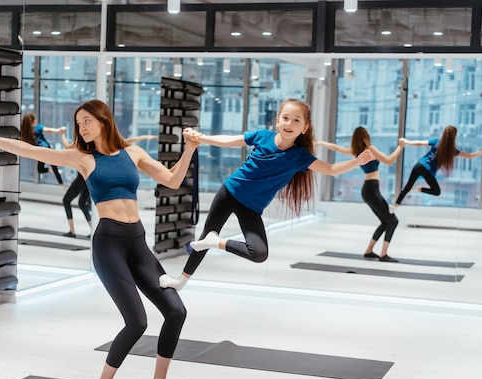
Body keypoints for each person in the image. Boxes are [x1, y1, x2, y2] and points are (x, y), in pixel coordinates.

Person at [0, 99, 199, 379]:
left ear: (103, 120)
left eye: (86, 121)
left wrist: (189, 148)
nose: (81, 127)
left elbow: (173, 180)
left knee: (176, 312)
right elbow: (31, 151)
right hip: (109, 245)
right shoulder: (82, 157)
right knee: (136, 322)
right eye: (78, 122)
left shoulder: (132, 153)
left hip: (138, 243)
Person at [159, 98, 375, 291]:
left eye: (296, 120)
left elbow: (331, 169)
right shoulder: (262, 136)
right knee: (203, 238)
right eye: (286, 118)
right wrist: (202, 139)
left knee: (259, 253)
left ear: (305, 128)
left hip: (251, 207)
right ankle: (181, 280)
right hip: (229, 192)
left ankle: (215, 242)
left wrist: (357, 162)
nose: (289, 124)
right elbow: (229, 141)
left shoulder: (300, 156)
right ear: (278, 120)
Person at [316, 127, 405, 262]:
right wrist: (400, 147)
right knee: (393, 220)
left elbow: (336, 148)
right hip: (371, 189)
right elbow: (389, 160)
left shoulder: (356, 151)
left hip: (369, 190)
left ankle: (369, 251)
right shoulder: (370, 149)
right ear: (365, 137)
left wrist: (321, 143)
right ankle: (383, 254)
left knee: (385, 221)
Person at [60, 134, 156, 239]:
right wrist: (144, 137)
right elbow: (127, 140)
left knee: (67, 200)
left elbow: (66, 146)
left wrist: (63, 134)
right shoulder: (101, 143)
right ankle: (91, 229)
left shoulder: (82, 142)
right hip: (92, 179)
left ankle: (72, 231)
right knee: (82, 203)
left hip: (83, 178)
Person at [392, 125, 482, 211]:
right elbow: (469, 156)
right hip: (427, 170)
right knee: (436, 191)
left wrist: (407, 142)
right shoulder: (452, 150)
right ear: (453, 137)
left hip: (419, 165)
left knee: (407, 187)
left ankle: (395, 206)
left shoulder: (436, 141)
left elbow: (420, 143)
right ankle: (417, 189)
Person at [20, 112, 65, 186]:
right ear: (33, 121)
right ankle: (61, 183)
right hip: (46, 148)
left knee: (41, 169)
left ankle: (58, 179)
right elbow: (49, 130)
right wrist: (58, 130)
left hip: (39, 151)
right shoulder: (37, 127)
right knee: (53, 166)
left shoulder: (24, 131)